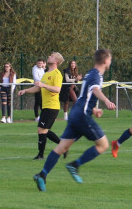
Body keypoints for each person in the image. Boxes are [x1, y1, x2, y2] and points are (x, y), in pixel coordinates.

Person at [32, 49, 118, 192]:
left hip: (76, 113)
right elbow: (95, 90)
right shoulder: (96, 75)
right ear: (105, 61)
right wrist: (106, 101)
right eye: (110, 59)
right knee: (103, 145)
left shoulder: (91, 72)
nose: (110, 61)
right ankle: (75, 165)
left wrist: (94, 109)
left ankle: (42, 175)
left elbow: (86, 95)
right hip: (82, 115)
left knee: (62, 147)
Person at [18, 52, 65, 160]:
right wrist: (25, 90)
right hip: (46, 106)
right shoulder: (46, 73)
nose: (48, 56)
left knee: (42, 130)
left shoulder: (57, 74)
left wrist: (43, 84)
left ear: (56, 61)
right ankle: (60, 147)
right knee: (43, 130)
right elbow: (38, 88)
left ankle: (42, 155)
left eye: (51, 56)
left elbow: (57, 89)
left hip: (52, 107)